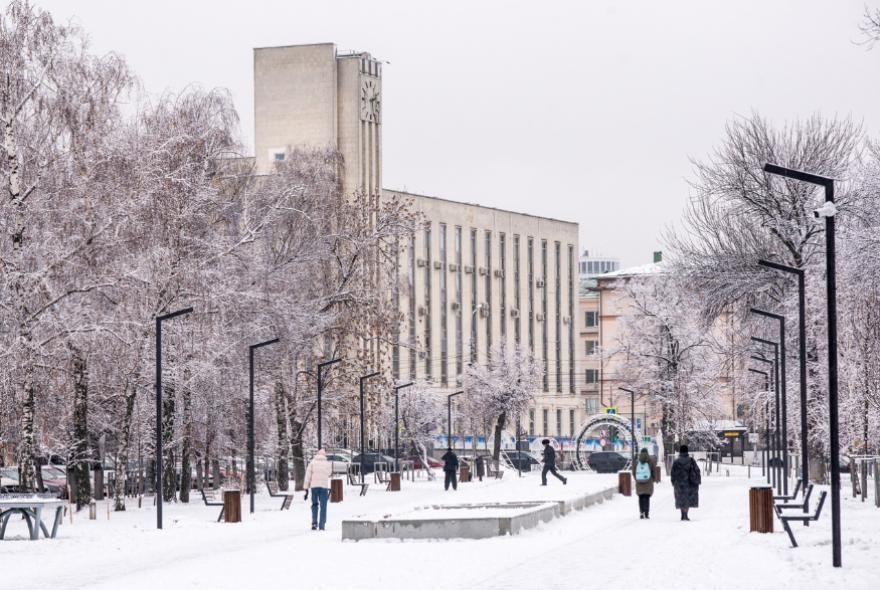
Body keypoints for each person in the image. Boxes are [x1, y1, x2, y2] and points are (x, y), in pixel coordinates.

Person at [303, 448, 332, 530]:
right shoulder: (327, 464)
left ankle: (314, 523)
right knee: (323, 506)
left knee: (314, 504)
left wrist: (306, 488)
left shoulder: (312, 463)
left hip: (314, 487)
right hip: (324, 487)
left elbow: (307, 476)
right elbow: (329, 473)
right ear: (324, 455)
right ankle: (322, 525)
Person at [670, 444, 701, 521]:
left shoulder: (676, 462)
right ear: (687, 451)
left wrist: (673, 482)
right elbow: (697, 471)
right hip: (689, 483)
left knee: (680, 498)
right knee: (688, 498)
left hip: (679, 483)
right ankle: (686, 514)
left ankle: (682, 514)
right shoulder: (691, 460)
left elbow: (672, 473)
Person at [632, 447, 656, 519]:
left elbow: (633, 472)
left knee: (641, 497)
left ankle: (641, 512)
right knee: (647, 498)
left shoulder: (637, 462)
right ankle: (646, 513)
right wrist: (653, 479)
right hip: (648, 482)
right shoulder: (651, 461)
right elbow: (654, 472)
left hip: (639, 482)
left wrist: (637, 479)